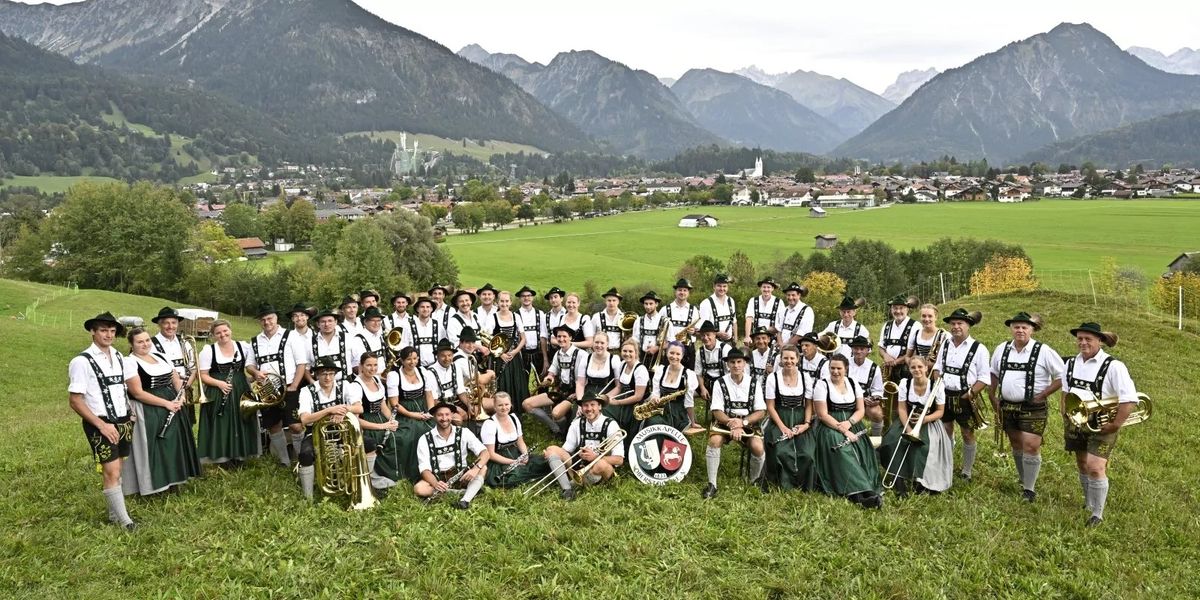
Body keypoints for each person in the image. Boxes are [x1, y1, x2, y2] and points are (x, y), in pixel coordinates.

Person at [1062, 322, 1138, 527]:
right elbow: (1065, 391)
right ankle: (1088, 502)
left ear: (1100, 341)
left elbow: (1129, 399)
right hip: (1076, 421)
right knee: (1082, 463)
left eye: (1088, 339)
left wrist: (1115, 424)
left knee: (1096, 467)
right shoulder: (1070, 363)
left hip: (1103, 424)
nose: (1083, 342)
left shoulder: (1114, 366)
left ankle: (1097, 513)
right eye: (1080, 338)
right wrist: (1065, 412)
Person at [68, 312, 138, 529]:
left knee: (118, 467)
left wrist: (130, 412)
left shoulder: (118, 356)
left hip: (123, 420)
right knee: (111, 471)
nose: (108, 335)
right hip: (100, 423)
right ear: (93, 332)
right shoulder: (81, 362)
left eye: (112, 331)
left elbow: (122, 388)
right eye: (103, 330)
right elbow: (75, 401)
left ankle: (114, 515)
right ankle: (126, 522)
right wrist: (101, 425)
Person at [990, 312, 1064, 503]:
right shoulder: (1002, 348)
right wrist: (992, 394)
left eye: (1024, 327)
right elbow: (994, 373)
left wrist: (1044, 394)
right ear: (1011, 328)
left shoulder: (1043, 351)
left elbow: (1062, 376)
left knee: (1031, 445)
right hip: (1007, 406)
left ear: (1032, 329)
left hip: (1033, 406)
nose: (1020, 330)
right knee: (1016, 443)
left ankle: (1029, 490)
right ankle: (1024, 480)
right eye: (1016, 327)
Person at [123, 326, 202, 496]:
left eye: (147, 340)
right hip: (149, 409)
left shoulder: (160, 355)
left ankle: (175, 480)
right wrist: (166, 403)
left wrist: (180, 397)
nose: (145, 344)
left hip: (173, 403)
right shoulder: (129, 362)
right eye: (139, 342)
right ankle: (156, 486)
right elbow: (137, 393)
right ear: (132, 344)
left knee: (174, 444)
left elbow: (176, 380)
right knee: (157, 446)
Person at [812, 354, 883, 509]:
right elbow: (822, 415)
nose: (835, 371)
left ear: (846, 369)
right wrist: (844, 430)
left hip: (852, 424)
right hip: (830, 426)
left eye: (839, 368)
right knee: (843, 451)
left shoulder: (853, 383)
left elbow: (860, 410)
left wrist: (849, 423)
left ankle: (865, 491)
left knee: (862, 451)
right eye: (832, 368)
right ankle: (860, 496)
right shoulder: (822, 385)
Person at [295, 357, 368, 501]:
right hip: (316, 433)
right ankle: (308, 497)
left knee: (369, 444)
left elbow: (359, 407)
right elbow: (304, 419)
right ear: (316, 375)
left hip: (343, 431)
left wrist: (343, 411)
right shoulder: (306, 391)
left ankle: (363, 485)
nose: (327, 377)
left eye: (330, 373)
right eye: (323, 373)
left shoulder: (345, 385)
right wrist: (330, 411)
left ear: (335, 374)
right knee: (305, 454)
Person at [931, 308, 991, 481]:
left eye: (960, 323)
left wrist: (969, 394)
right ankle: (947, 464)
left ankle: (967, 470)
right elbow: (937, 368)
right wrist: (938, 386)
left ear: (968, 326)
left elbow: (984, 378)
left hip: (965, 396)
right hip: (944, 394)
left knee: (967, 433)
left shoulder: (979, 349)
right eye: (953, 324)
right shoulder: (945, 344)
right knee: (946, 430)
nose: (956, 327)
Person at [878, 355, 952, 495]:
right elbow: (901, 408)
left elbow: (940, 412)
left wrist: (924, 419)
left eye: (920, 367)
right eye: (913, 367)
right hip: (907, 420)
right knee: (892, 441)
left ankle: (921, 482)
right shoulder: (905, 383)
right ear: (909, 369)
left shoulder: (936, 385)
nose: (916, 370)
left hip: (929, 422)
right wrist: (909, 428)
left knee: (923, 448)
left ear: (926, 368)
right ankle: (898, 478)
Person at [249, 304, 309, 468]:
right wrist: (255, 373)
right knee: (273, 426)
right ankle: (285, 461)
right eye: (263, 319)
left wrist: (295, 385)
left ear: (276, 318)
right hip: (267, 390)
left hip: (289, 386)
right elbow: (249, 365)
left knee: (296, 425)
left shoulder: (291, 336)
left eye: (269, 318)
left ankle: (301, 460)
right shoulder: (255, 341)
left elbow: (301, 364)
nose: (266, 322)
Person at [702, 348, 767, 499]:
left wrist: (743, 422)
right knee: (714, 440)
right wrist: (733, 424)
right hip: (726, 421)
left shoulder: (754, 383)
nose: (736, 365)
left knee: (758, 447)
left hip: (748, 422)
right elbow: (717, 411)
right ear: (727, 365)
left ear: (745, 364)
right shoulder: (720, 382)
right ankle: (712, 484)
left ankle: (754, 481)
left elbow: (761, 411)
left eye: (739, 362)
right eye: (732, 362)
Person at [197, 319, 261, 465]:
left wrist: (253, 377)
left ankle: (241, 454)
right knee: (222, 421)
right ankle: (222, 457)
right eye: (218, 333)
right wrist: (219, 383)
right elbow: (203, 375)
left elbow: (250, 366)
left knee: (242, 418)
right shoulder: (208, 351)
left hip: (240, 389)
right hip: (218, 390)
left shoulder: (243, 347)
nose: (222, 334)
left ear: (230, 331)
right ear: (213, 335)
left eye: (225, 331)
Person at [542, 394, 625, 501]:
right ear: (581, 407)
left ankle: (573, 484)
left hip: (601, 467)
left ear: (599, 406)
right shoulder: (577, 423)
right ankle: (567, 490)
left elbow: (619, 460)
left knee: (600, 465)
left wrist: (595, 457)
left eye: (592, 405)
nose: (589, 409)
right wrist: (552, 456)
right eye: (585, 405)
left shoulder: (611, 425)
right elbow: (566, 450)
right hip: (580, 464)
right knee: (551, 449)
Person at [414, 402, 490, 509]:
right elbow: (424, 470)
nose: (444, 418)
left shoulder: (464, 432)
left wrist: (475, 469)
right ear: (434, 417)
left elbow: (485, 453)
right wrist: (436, 484)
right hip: (438, 476)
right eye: (440, 415)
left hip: (461, 475)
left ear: (452, 415)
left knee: (483, 468)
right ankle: (466, 492)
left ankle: (464, 501)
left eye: (447, 414)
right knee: (419, 489)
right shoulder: (424, 439)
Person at [763, 346, 816, 492]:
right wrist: (783, 428)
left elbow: (809, 405)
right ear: (780, 359)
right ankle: (785, 485)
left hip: (801, 420)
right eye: (785, 358)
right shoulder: (773, 378)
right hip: (779, 419)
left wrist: (806, 424)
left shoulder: (805, 378)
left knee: (807, 454)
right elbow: (770, 407)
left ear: (798, 360)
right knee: (781, 452)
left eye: (792, 358)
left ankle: (803, 485)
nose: (789, 361)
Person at [345, 353, 400, 496]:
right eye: (369, 365)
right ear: (361, 366)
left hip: (382, 420)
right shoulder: (355, 386)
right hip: (368, 426)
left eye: (375, 365)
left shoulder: (376, 380)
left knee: (403, 434)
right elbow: (356, 420)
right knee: (392, 440)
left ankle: (401, 472)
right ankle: (379, 477)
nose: (372, 368)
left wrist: (391, 421)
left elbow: (383, 406)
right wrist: (382, 427)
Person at [524, 326, 587, 436]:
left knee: (556, 413)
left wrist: (578, 394)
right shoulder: (558, 353)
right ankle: (556, 429)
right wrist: (549, 378)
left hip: (575, 393)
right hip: (560, 390)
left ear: (571, 337)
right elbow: (552, 372)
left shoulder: (582, 354)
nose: (561, 339)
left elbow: (585, 379)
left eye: (564, 336)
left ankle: (564, 432)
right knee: (527, 404)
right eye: (559, 336)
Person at [385, 347, 436, 482]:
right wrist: (413, 415)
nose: (412, 362)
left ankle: (436, 468)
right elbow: (395, 403)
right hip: (404, 413)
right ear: (401, 360)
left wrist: (431, 413)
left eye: (415, 358)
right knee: (412, 434)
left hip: (423, 409)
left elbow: (429, 395)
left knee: (436, 427)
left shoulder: (423, 372)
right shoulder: (394, 376)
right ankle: (412, 473)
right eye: (408, 359)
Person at [482, 392, 550, 487]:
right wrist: (513, 462)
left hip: (516, 453)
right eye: (500, 405)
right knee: (513, 476)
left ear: (511, 405)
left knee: (544, 463)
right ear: (494, 406)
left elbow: (520, 441)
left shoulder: (514, 418)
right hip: (500, 459)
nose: (504, 408)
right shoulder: (489, 424)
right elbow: (491, 454)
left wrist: (525, 455)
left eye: (506, 404)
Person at [149, 307, 197, 419]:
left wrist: (185, 387)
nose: (171, 326)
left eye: (174, 323)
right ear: (159, 324)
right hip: (163, 392)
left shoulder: (185, 342)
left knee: (186, 425)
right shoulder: (150, 344)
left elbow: (193, 369)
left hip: (185, 390)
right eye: (166, 323)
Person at [643, 341, 699, 433]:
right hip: (661, 410)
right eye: (671, 353)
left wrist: (692, 422)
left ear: (682, 356)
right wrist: (655, 398)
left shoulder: (688, 375)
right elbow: (655, 393)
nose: (674, 357)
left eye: (678, 354)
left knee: (658, 425)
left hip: (679, 414)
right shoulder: (660, 370)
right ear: (667, 353)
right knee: (652, 423)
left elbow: (689, 402)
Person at [490, 291, 529, 407]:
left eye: (507, 301)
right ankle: (503, 408)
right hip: (499, 355)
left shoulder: (516, 316)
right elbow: (487, 338)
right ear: (497, 302)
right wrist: (500, 354)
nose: (504, 303)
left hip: (513, 355)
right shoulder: (493, 317)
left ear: (510, 302)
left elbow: (523, 339)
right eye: (502, 301)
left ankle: (517, 410)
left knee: (515, 380)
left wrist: (515, 351)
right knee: (502, 381)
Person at [606, 339, 649, 435]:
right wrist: (604, 398)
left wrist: (617, 402)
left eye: (630, 351)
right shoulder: (623, 364)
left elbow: (638, 396)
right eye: (624, 351)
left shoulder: (640, 370)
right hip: (623, 398)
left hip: (636, 404)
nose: (627, 354)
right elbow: (619, 387)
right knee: (604, 407)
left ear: (636, 353)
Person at [846, 336, 886, 438]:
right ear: (852, 349)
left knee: (876, 412)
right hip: (845, 400)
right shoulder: (845, 364)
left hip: (865, 402)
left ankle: (876, 438)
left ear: (868, 350)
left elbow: (878, 389)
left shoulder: (874, 367)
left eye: (862, 349)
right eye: (856, 348)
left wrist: (875, 399)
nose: (859, 351)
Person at [693, 320, 731, 423]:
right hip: (707, 384)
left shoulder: (725, 349)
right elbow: (698, 373)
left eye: (708, 335)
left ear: (714, 334)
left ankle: (720, 419)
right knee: (687, 393)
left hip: (723, 383)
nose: (705, 338)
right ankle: (692, 422)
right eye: (703, 335)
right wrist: (702, 388)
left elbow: (731, 372)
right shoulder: (699, 352)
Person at [428, 340, 471, 425]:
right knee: (458, 419)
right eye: (443, 356)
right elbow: (434, 400)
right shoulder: (430, 372)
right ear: (437, 356)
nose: (447, 359)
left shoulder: (456, 367)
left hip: (455, 401)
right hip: (440, 405)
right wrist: (456, 409)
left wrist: (469, 405)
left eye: (449, 355)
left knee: (475, 411)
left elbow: (461, 391)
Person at [455, 327, 496, 417]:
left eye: (473, 342)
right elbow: (480, 380)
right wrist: (490, 374)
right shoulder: (460, 359)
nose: (471, 345)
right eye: (467, 342)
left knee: (501, 402)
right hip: (462, 400)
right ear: (460, 343)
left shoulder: (467, 356)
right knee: (498, 404)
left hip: (470, 396)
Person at [878, 295, 918, 385]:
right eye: (895, 308)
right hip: (888, 370)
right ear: (891, 309)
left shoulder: (915, 326)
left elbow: (914, 351)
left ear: (907, 309)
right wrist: (885, 356)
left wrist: (895, 362)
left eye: (901, 308)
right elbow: (881, 347)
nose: (898, 311)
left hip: (906, 370)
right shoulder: (886, 325)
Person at [662, 278, 699, 367]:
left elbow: (699, 332)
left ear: (688, 293)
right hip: (670, 348)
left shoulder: (694, 310)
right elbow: (660, 331)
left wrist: (694, 332)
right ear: (676, 292)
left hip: (688, 349)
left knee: (688, 376)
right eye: (679, 290)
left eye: (685, 290)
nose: (682, 292)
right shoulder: (665, 309)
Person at [515, 285, 549, 377]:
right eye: (523, 296)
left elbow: (543, 336)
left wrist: (545, 358)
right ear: (520, 298)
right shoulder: (515, 315)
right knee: (522, 382)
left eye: (529, 295)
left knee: (542, 381)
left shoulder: (540, 314)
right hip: (522, 354)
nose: (526, 298)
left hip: (538, 353)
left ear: (532, 297)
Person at [311, 308, 354, 381]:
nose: (327, 324)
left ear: (336, 322)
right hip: (320, 387)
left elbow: (358, 362)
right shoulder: (310, 341)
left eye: (330, 321)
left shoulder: (348, 338)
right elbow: (306, 368)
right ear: (318, 324)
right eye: (323, 321)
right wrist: (313, 383)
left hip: (346, 385)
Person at [698, 274, 738, 345]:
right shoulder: (706, 303)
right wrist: (717, 333)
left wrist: (735, 339)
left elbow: (734, 322)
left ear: (727, 287)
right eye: (719, 286)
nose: (722, 289)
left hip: (730, 343)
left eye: (724, 286)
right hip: (713, 344)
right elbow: (703, 328)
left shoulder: (731, 301)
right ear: (714, 286)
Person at [631, 290, 665, 369]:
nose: (648, 306)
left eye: (651, 304)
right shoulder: (638, 320)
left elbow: (670, 342)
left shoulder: (665, 321)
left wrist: (657, 348)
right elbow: (635, 340)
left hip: (659, 358)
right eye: (646, 304)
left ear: (656, 304)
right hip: (641, 357)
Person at [743, 278, 781, 347]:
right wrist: (747, 336)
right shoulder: (753, 300)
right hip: (756, 338)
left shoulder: (779, 302)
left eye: (768, 287)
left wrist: (779, 340)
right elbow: (749, 318)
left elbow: (780, 324)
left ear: (772, 288)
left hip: (772, 339)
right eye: (764, 287)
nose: (766, 289)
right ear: (760, 288)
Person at [585, 287, 625, 352]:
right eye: (609, 300)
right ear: (605, 301)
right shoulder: (596, 317)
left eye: (614, 300)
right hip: (601, 353)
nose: (611, 303)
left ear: (618, 302)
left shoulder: (625, 317)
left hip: (620, 354)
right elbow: (591, 337)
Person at [350, 306, 387, 376]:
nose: (376, 324)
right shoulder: (358, 340)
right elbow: (356, 367)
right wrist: (376, 377)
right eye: (373, 321)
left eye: (379, 320)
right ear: (365, 322)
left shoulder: (380, 336)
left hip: (384, 378)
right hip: (368, 380)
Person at [777, 283, 814, 348]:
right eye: (788, 295)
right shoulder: (784, 310)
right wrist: (780, 344)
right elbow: (779, 330)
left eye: (793, 295)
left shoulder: (807, 311)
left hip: (797, 350)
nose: (790, 298)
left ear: (799, 295)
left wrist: (786, 347)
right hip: (781, 349)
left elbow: (801, 334)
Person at [408, 297, 440, 367]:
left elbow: (442, 346)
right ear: (417, 309)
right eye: (422, 307)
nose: (425, 309)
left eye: (428, 307)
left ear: (431, 309)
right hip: (415, 368)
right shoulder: (408, 326)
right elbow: (405, 347)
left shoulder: (438, 325)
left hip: (435, 367)